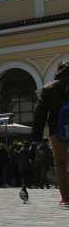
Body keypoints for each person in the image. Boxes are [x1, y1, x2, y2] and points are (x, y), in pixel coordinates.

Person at [31, 60, 69, 205]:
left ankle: (66, 197)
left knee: (60, 163)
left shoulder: (48, 89)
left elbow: (39, 115)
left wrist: (36, 137)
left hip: (57, 130)